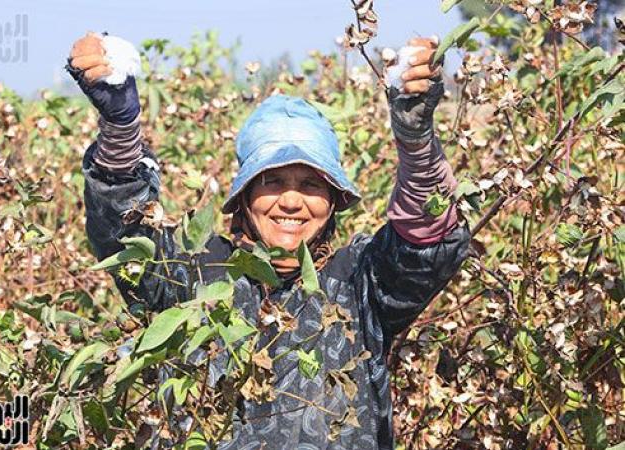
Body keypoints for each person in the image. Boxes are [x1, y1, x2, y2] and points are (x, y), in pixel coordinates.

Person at [67, 31, 469, 450]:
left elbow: (427, 245)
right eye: (272, 181)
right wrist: (119, 129)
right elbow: (126, 235)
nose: (292, 201)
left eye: (312, 184)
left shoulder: (359, 281)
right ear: (243, 196)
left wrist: (416, 139)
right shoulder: (193, 274)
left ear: (333, 201)